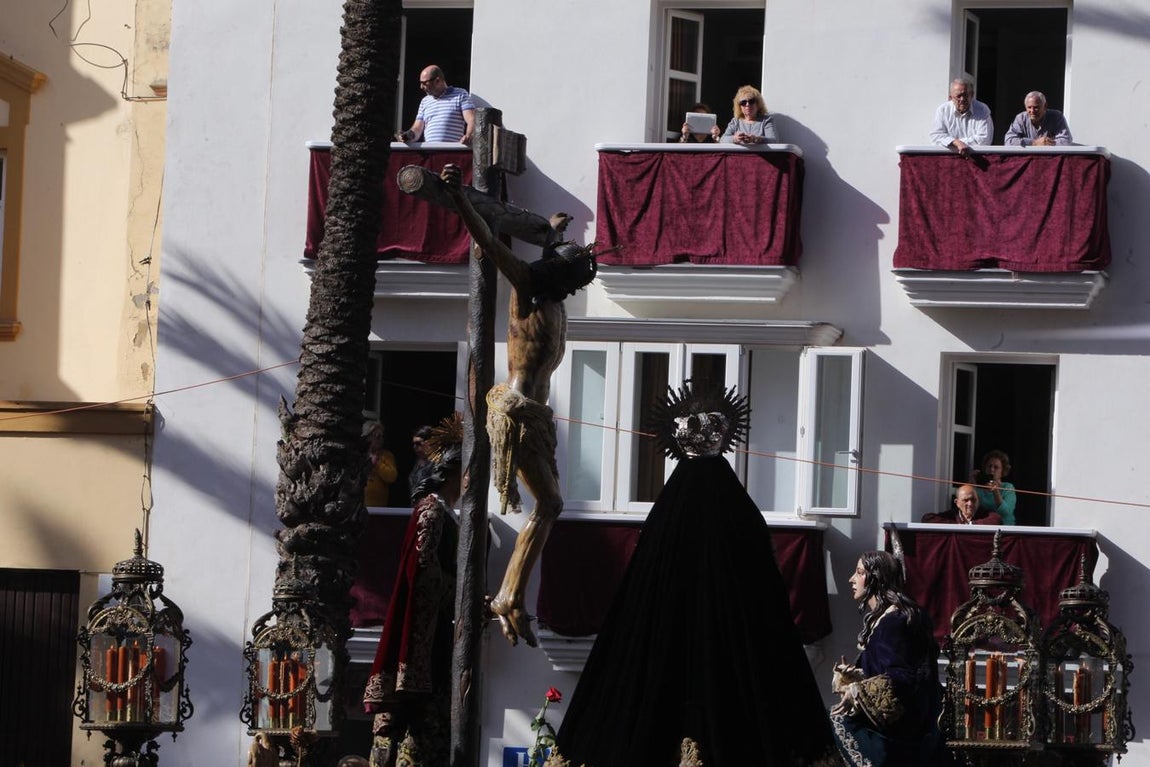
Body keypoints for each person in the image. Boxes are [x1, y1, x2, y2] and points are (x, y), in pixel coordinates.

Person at [555, 383, 841, 767]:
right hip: (735, 651)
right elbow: (765, 593)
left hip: (665, 646)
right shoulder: (740, 514)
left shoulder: (665, 519)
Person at [439, 163, 597, 647]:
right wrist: (460, 199)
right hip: (515, 409)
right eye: (572, 277)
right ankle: (508, 595)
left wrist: (553, 233)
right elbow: (489, 243)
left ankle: (510, 594)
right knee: (548, 504)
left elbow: (555, 262)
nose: (573, 286)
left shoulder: (554, 301)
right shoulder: (528, 288)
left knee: (550, 504)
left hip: (537, 414)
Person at [363, 414, 463, 767]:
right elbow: (421, 571)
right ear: (457, 472)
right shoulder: (431, 512)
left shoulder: (448, 515)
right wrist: (462, 593)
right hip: (426, 636)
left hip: (441, 632)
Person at [831, 551, 949, 766]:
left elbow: (904, 677)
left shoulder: (894, 622)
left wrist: (856, 692)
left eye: (859, 573)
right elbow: (889, 670)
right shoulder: (889, 617)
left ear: (876, 578)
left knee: (828, 726)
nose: (852, 579)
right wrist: (855, 675)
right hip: (903, 720)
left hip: (902, 730)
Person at [395, 65, 475, 144]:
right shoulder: (425, 101)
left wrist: (468, 136)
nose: (421, 87)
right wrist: (409, 136)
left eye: (424, 83)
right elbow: (417, 128)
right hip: (430, 153)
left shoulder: (460, 94)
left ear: (437, 80)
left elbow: (472, 119)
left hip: (451, 153)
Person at [930, 77, 993, 158]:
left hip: (976, 159)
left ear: (972, 95)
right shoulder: (943, 110)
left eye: (965, 95)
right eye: (958, 96)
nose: (962, 99)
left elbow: (985, 140)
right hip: (948, 159)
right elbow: (935, 137)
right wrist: (957, 143)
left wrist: (953, 143)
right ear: (950, 97)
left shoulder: (982, 109)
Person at [1004, 91, 1073, 147]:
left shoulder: (1057, 116)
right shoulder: (1021, 118)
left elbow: (1066, 141)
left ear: (1045, 106)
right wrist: (1034, 143)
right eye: (1029, 107)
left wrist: (1045, 143)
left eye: (1036, 107)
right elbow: (1009, 141)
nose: (1032, 111)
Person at [970, 449, 1017, 525]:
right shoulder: (979, 488)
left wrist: (996, 491)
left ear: (1003, 471)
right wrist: (972, 484)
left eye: (996, 467)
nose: (991, 469)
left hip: (1004, 528)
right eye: (989, 466)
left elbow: (1006, 512)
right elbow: (971, 509)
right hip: (983, 527)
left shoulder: (1008, 487)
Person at [921, 483, 1003, 525]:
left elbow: (997, 519)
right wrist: (957, 526)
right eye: (966, 500)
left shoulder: (984, 513)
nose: (970, 503)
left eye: (973, 500)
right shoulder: (953, 515)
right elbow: (927, 519)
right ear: (957, 503)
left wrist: (972, 524)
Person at [363, 421, 398, 507]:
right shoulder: (359, 454)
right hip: (359, 507)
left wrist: (377, 463)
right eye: (377, 436)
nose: (381, 440)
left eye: (382, 437)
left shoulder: (387, 455)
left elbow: (392, 477)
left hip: (378, 508)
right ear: (368, 437)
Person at [406, 425, 434, 504]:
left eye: (418, 443)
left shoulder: (438, 463)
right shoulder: (415, 462)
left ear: (429, 443)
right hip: (415, 507)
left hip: (430, 509)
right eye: (414, 444)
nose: (415, 447)